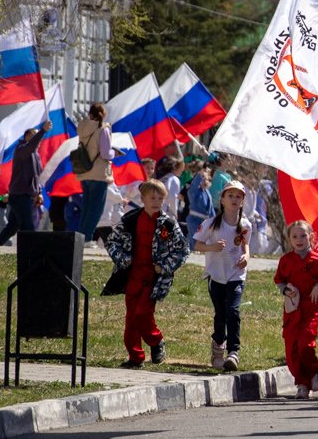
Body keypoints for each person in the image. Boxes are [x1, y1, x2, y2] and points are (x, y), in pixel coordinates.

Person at [104, 180, 188, 367]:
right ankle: (135, 357)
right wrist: (123, 259)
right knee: (131, 318)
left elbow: (182, 250)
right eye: (152, 198)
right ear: (142, 199)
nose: (156, 202)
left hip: (154, 278)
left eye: (160, 198)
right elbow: (112, 242)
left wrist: (165, 266)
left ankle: (156, 341)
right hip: (133, 275)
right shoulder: (130, 220)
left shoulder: (168, 224)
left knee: (142, 314)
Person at [193, 183, 254, 372]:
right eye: (230, 195)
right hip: (216, 275)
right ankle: (218, 345)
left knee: (233, 311)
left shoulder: (245, 225)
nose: (234, 199)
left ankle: (233, 352)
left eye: (238, 196)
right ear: (222, 200)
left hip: (236, 274)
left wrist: (247, 256)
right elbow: (197, 244)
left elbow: (245, 244)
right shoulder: (212, 223)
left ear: (242, 201)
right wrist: (212, 247)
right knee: (220, 314)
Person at [275, 220, 318, 395]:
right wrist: (286, 290)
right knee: (292, 350)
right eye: (294, 236)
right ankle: (302, 383)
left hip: (310, 310)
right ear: (289, 239)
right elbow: (280, 281)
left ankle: (314, 371)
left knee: (305, 344)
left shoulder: (317, 260)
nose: (299, 239)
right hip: (292, 311)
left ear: (311, 237)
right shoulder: (286, 260)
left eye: (303, 235)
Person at [0, 121, 45, 244]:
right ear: (27, 137)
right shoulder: (21, 149)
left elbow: (36, 177)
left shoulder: (36, 155)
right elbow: (30, 147)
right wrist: (43, 130)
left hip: (25, 196)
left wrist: (38, 193)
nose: (38, 139)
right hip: (18, 196)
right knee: (28, 227)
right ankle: (31, 252)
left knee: (12, 227)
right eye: (34, 135)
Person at [74, 102, 111, 238]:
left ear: (90, 114)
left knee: (86, 208)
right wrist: (114, 153)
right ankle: (87, 237)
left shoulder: (83, 128)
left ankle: (81, 237)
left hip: (85, 172)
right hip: (98, 173)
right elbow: (106, 154)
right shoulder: (103, 129)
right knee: (95, 210)